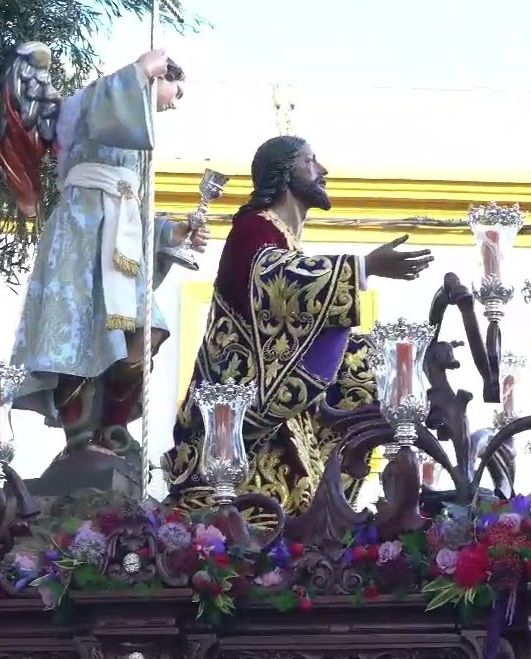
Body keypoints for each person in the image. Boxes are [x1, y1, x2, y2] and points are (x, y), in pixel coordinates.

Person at [164, 135, 433, 516]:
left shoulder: (282, 238)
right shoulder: (253, 229)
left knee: (369, 367)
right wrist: (364, 268)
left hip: (283, 423)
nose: (322, 171)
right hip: (240, 412)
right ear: (285, 172)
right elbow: (276, 281)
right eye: (311, 161)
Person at [0, 45, 210, 475]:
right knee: (76, 335)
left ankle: (112, 427)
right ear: (156, 78)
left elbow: (139, 209)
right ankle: (79, 437)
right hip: (82, 231)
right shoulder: (89, 102)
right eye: (173, 88)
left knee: (148, 330)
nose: (176, 102)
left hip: (121, 235)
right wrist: (141, 68)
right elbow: (105, 101)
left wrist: (174, 232)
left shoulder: (140, 143)